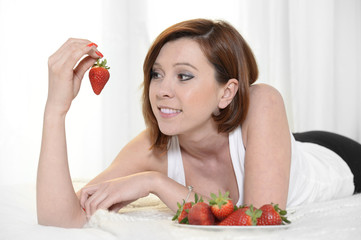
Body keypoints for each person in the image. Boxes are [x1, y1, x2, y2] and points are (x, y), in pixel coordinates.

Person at [37, 18, 361, 228]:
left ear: (227, 92)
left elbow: (260, 218)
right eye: (157, 74)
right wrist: (56, 110)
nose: (162, 91)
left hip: (335, 155)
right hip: (268, 143)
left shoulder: (262, 100)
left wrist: (155, 183)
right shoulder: (151, 147)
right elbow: (62, 218)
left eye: (184, 76)